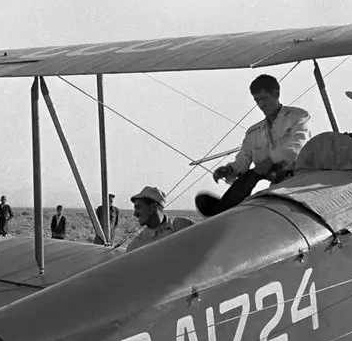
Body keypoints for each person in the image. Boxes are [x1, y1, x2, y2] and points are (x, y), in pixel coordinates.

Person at [196, 74, 311, 217]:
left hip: (299, 181)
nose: (260, 104)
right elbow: (242, 161)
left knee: (255, 173)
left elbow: (296, 147)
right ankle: (223, 209)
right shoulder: (253, 132)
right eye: (257, 100)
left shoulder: (298, 117)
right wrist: (229, 170)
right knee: (250, 175)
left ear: (276, 94)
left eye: (264, 99)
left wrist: (269, 162)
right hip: (275, 185)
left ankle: (223, 208)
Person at [125, 186, 195, 252]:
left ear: (153, 207)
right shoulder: (136, 245)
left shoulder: (185, 225)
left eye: (138, 207)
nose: (135, 214)